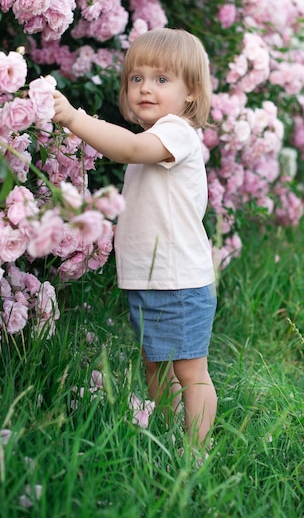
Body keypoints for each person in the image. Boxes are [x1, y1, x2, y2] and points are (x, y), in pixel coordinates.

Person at [53, 28, 217, 451]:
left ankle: (195, 454)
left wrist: (74, 119)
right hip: (151, 280)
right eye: (137, 78)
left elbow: (125, 148)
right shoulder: (153, 139)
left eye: (162, 80)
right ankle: (168, 438)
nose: (146, 87)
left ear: (191, 95)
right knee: (156, 370)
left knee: (190, 372)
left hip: (180, 281)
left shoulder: (175, 133)